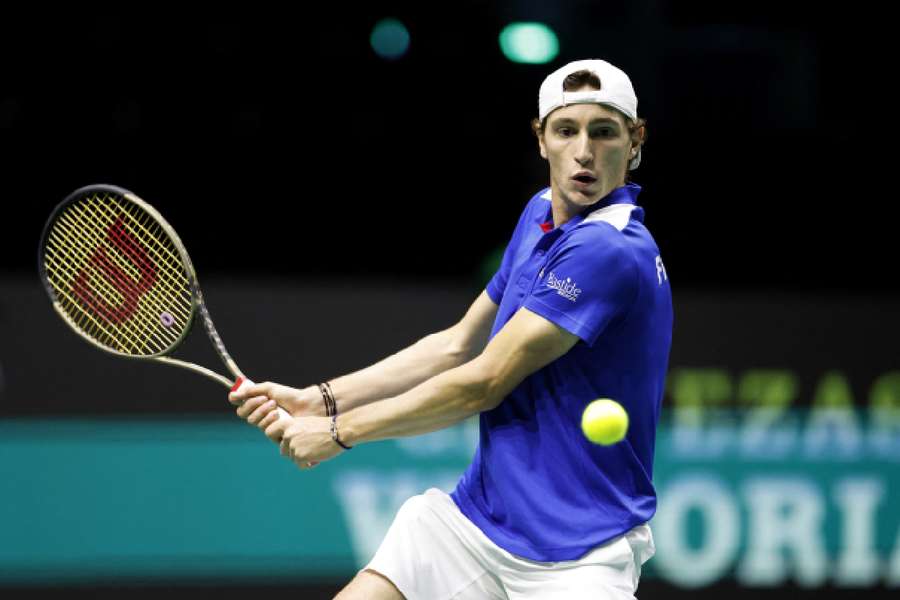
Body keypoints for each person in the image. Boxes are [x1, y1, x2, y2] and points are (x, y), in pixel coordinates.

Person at [229, 58, 672, 600]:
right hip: (477, 523)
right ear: (540, 139)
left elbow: (483, 382)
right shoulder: (539, 215)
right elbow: (456, 344)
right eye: (566, 130)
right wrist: (320, 400)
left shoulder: (608, 250)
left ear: (634, 139)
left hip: (580, 557)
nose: (584, 151)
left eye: (603, 132)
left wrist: (341, 432)